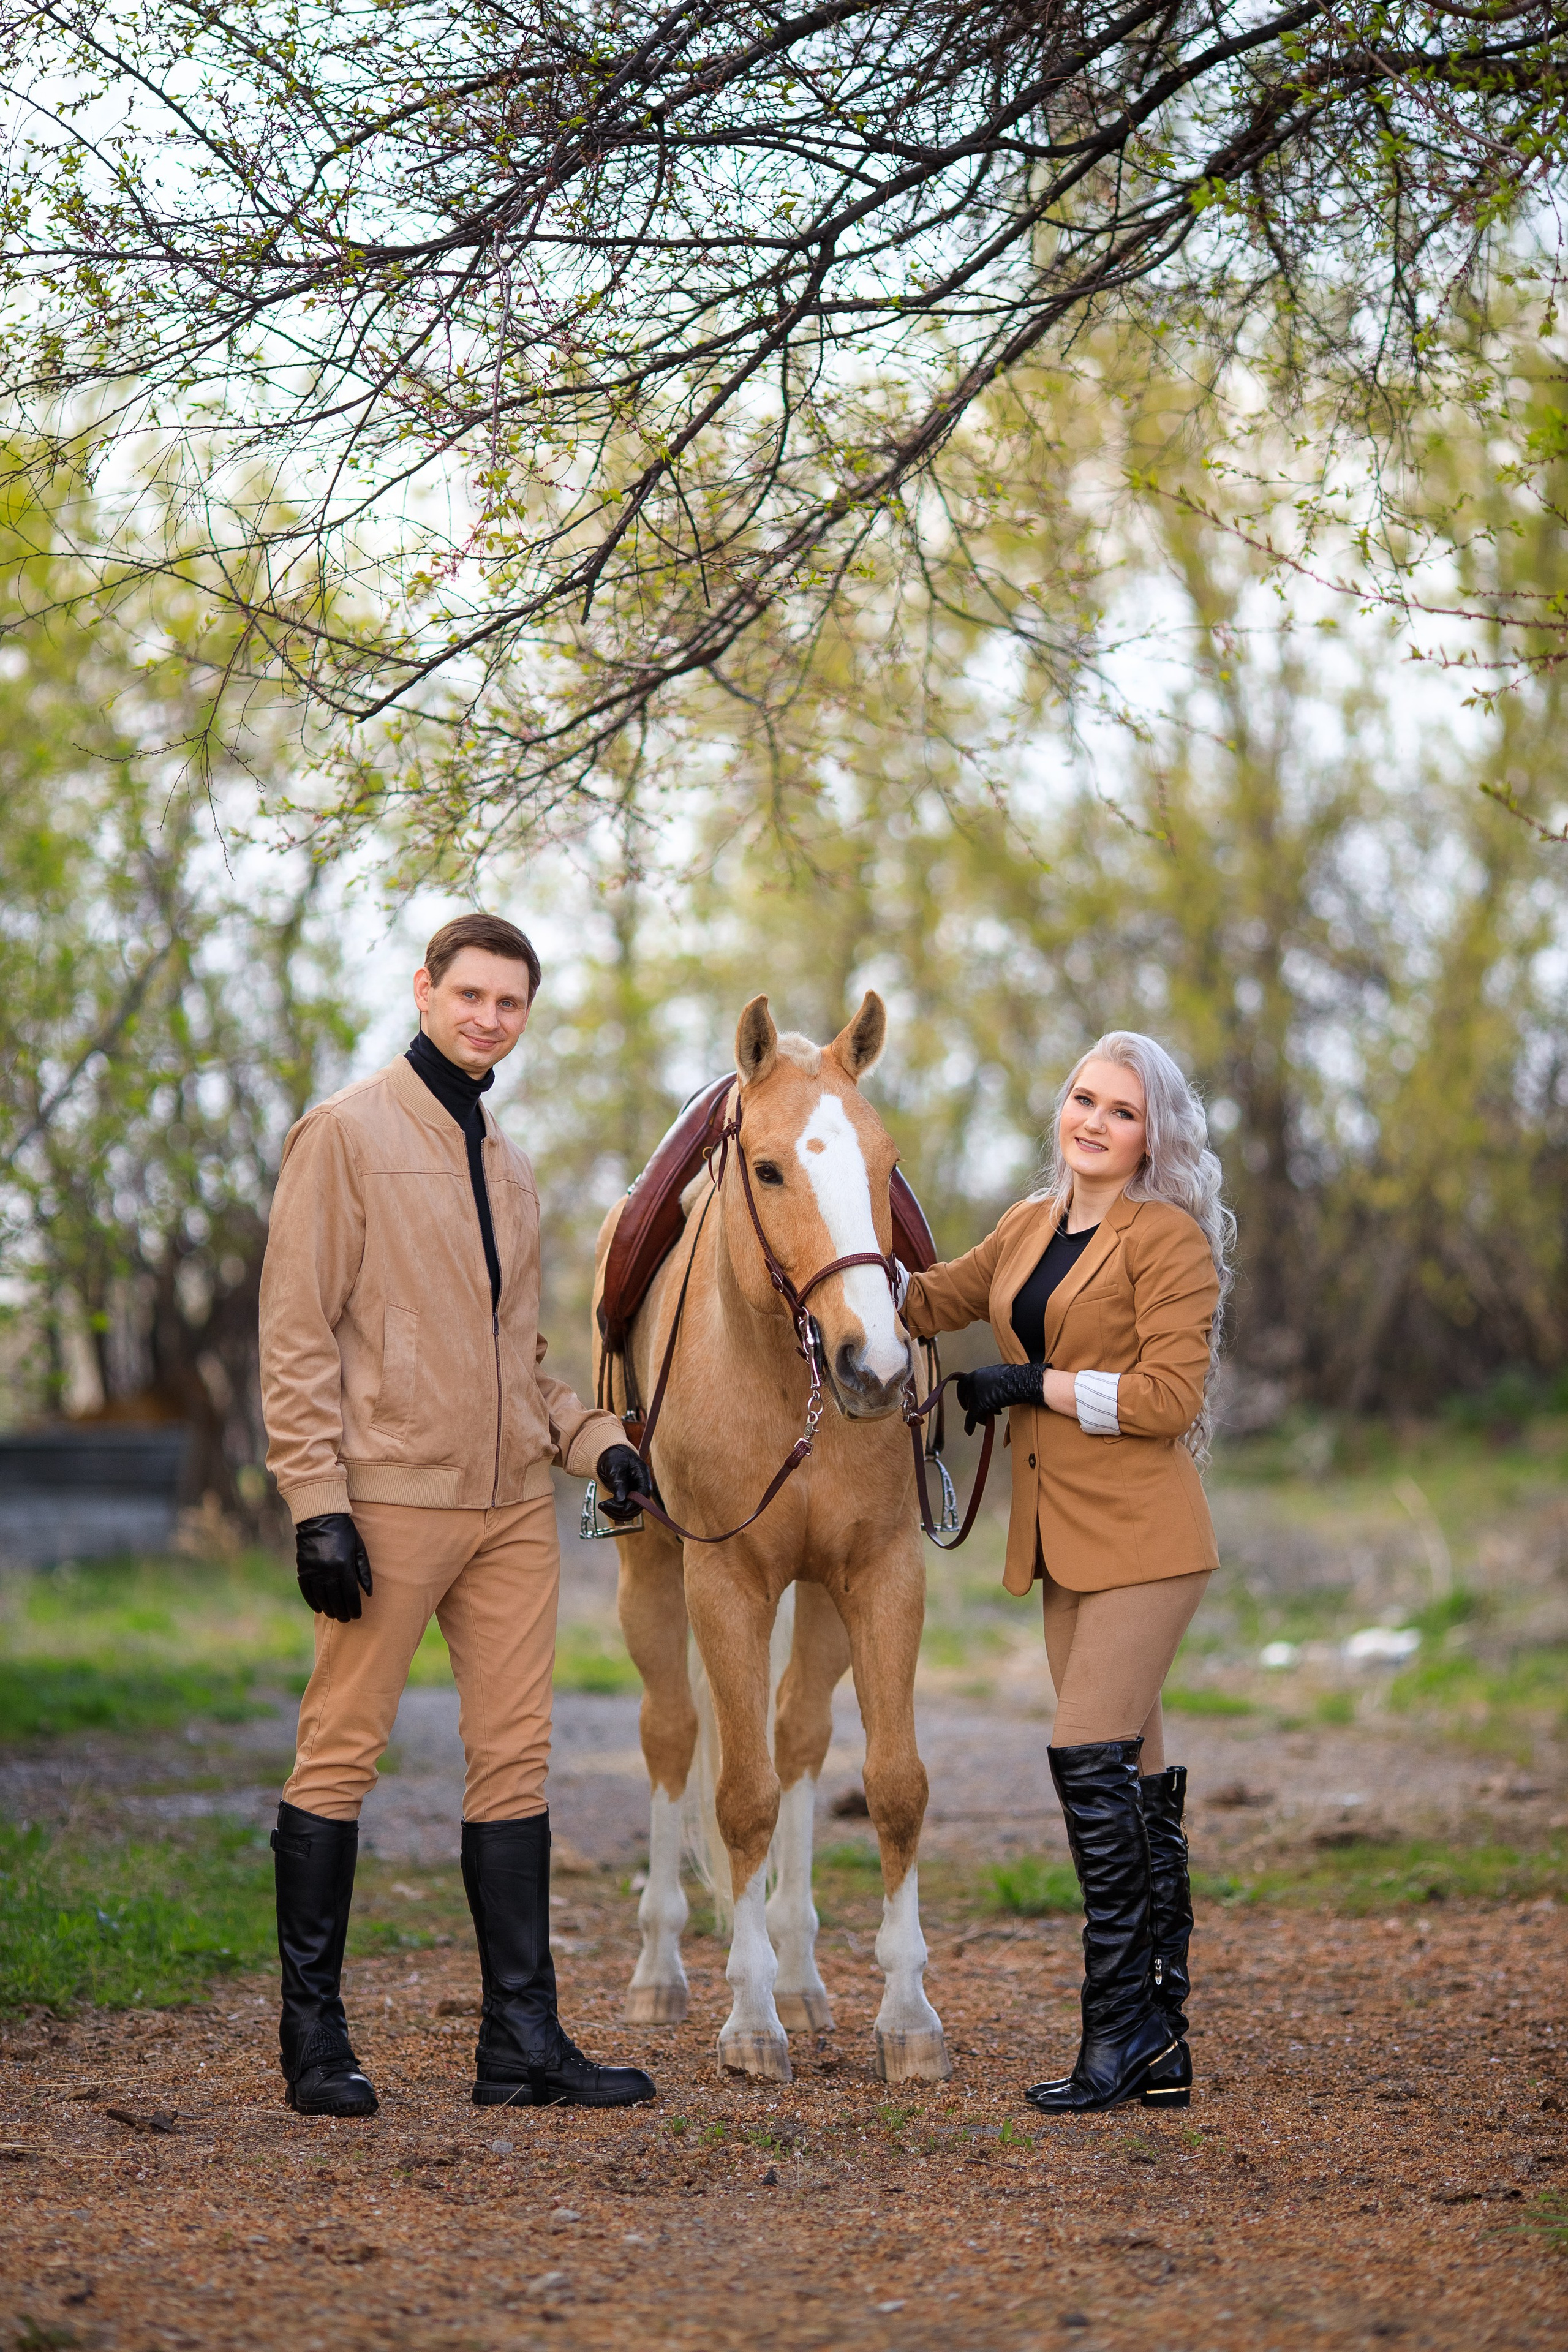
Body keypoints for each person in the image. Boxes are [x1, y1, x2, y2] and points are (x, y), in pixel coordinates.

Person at [258, 911, 653, 2117]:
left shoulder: (511, 1162)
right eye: (470, 993)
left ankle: (519, 2044)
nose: (489, 1017)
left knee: (514, 1760)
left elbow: (517, 1364)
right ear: (423, 990)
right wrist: (316, 1504)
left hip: (507, 1515)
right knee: (341, 1748)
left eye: (511, 1002)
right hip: (384, 1505)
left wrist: (599, 1444)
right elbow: (294, 1334)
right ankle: (313, 2041)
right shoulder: (344, 1135)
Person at [899, 1031, 1233, 2114]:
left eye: (1122, 1111)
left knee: (1083, 1754)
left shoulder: (1166, 1238)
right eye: (1085, 1100)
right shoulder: (1027, 1227)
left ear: (1154, 1135)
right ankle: (1163, 2041)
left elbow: (1168, 1400)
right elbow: (924, 1301)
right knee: (1135, 1786)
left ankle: (1115, 2031)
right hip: (1061, 1547)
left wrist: (1036, 1383)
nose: (1094, 1122)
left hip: (1146, 1540)